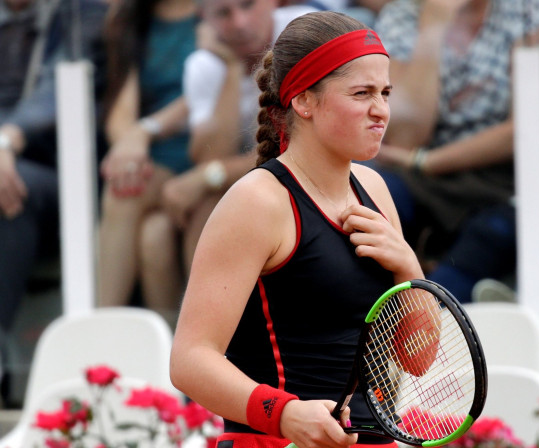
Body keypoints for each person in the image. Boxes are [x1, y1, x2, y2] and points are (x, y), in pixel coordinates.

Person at [170, 11, 423, 447]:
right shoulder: (257, 201)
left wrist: (409, 268)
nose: (380, 110)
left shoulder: (376, 190)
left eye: (384, 92)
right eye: (361, 93)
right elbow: (190, 360)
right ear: (304, 102)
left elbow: (417, 361)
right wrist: (283, 414)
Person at [371, 0, 539, 303]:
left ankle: (425, 323)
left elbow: (526, 127)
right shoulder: (401, 17)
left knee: (486, 237)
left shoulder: (531, 13)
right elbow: (406, 136)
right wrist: (433, 27)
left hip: (504, 176)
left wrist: (429, 162)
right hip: (418, 173)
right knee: (376, 203)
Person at [144, 0, 316, 324]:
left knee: (211, 206)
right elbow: (209, 153)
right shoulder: (205, 64)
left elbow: (303, 145)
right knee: (158, 231)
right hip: (253, 176)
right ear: (203, 18)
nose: (239, 22)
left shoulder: (300, 30)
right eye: (223, 13)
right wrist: (233, 69)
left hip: (308, 175)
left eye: (248, 5)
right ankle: (192, 336)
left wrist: (209, 176)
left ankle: (209, 333)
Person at [0, 0, 107, 402]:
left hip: (56, 170)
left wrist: (6, 140)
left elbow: (60, 89)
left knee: (11, 192)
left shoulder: (77, 12)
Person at [95, 0, 197, 321]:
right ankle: (109, 333)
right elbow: (120, 107)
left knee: (152, 232)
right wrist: (129, 149)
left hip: (205, 151)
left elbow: (204, 93)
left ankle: (101, 328)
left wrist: (143, 131)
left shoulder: (222, 11)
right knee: (132, 200)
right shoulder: (130, 18)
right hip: (156, 160)